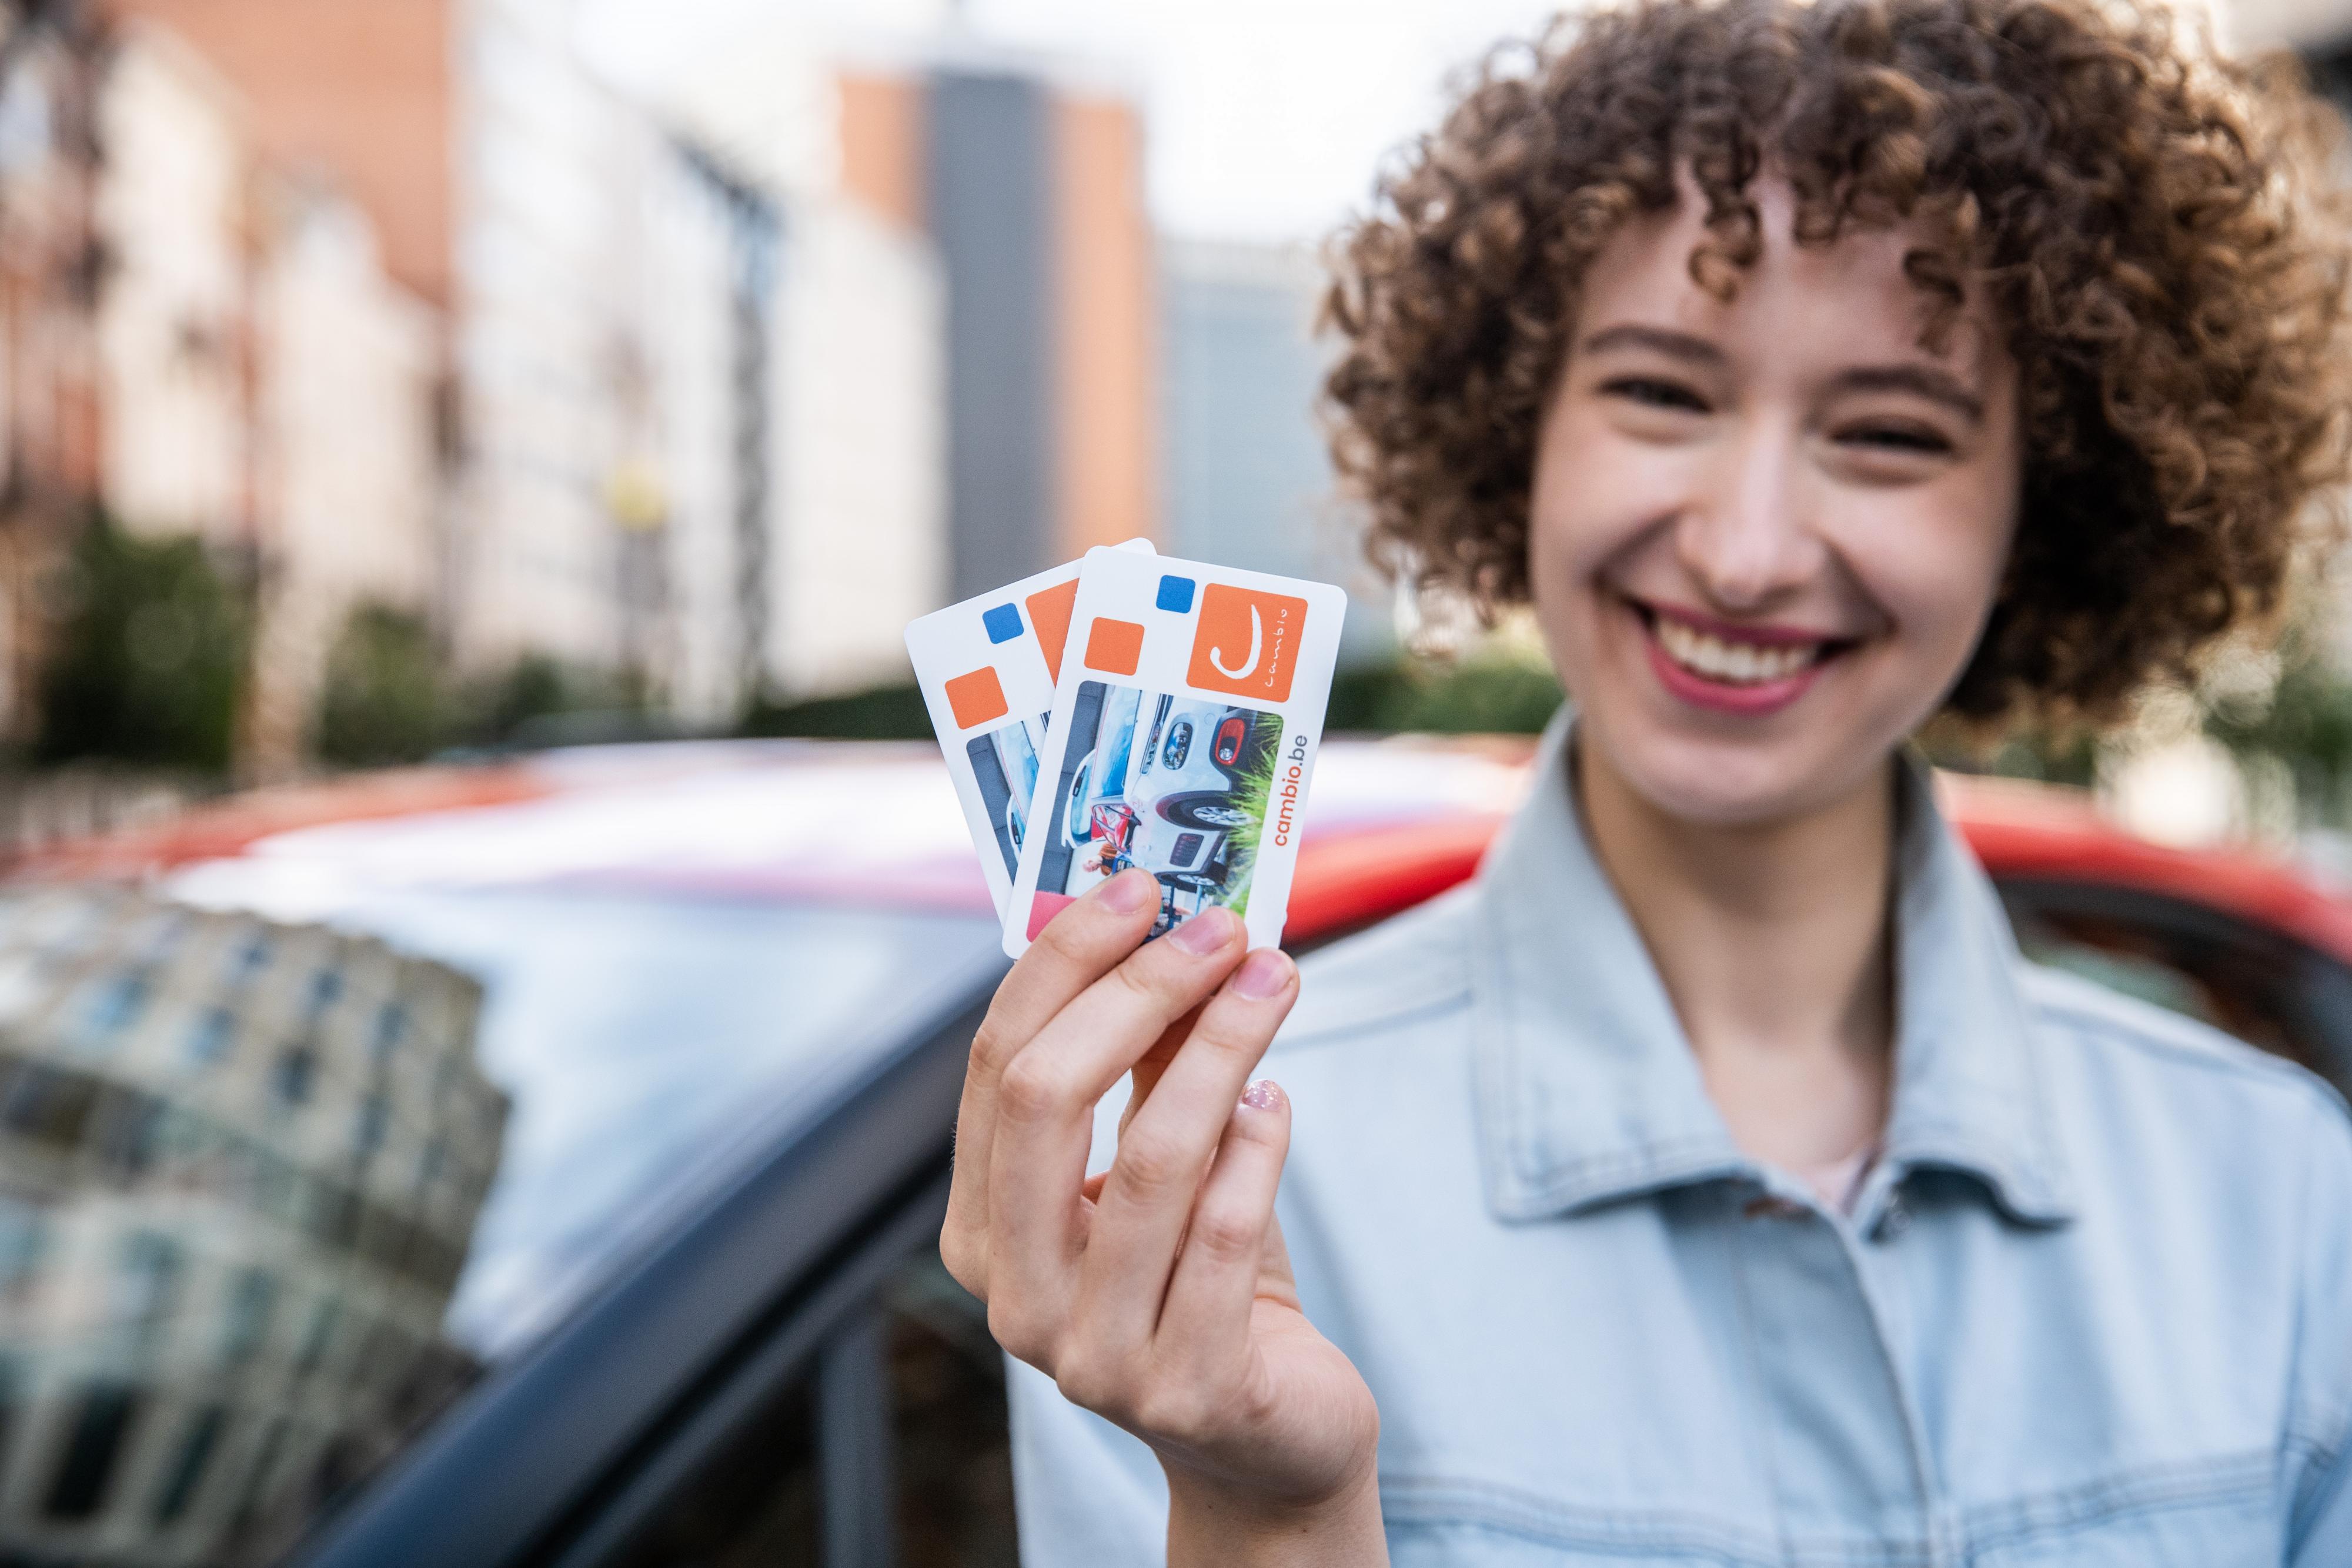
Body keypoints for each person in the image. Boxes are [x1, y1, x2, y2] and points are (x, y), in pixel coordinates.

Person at [939, 0, 2352, 1560]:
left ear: (2055, 496)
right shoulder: (1196, 1167)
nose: (1745, 551)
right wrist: (1276, 1515)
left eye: (1889, 432)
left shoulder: (2280, 1194)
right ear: (1514, 426)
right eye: (1662, 393)